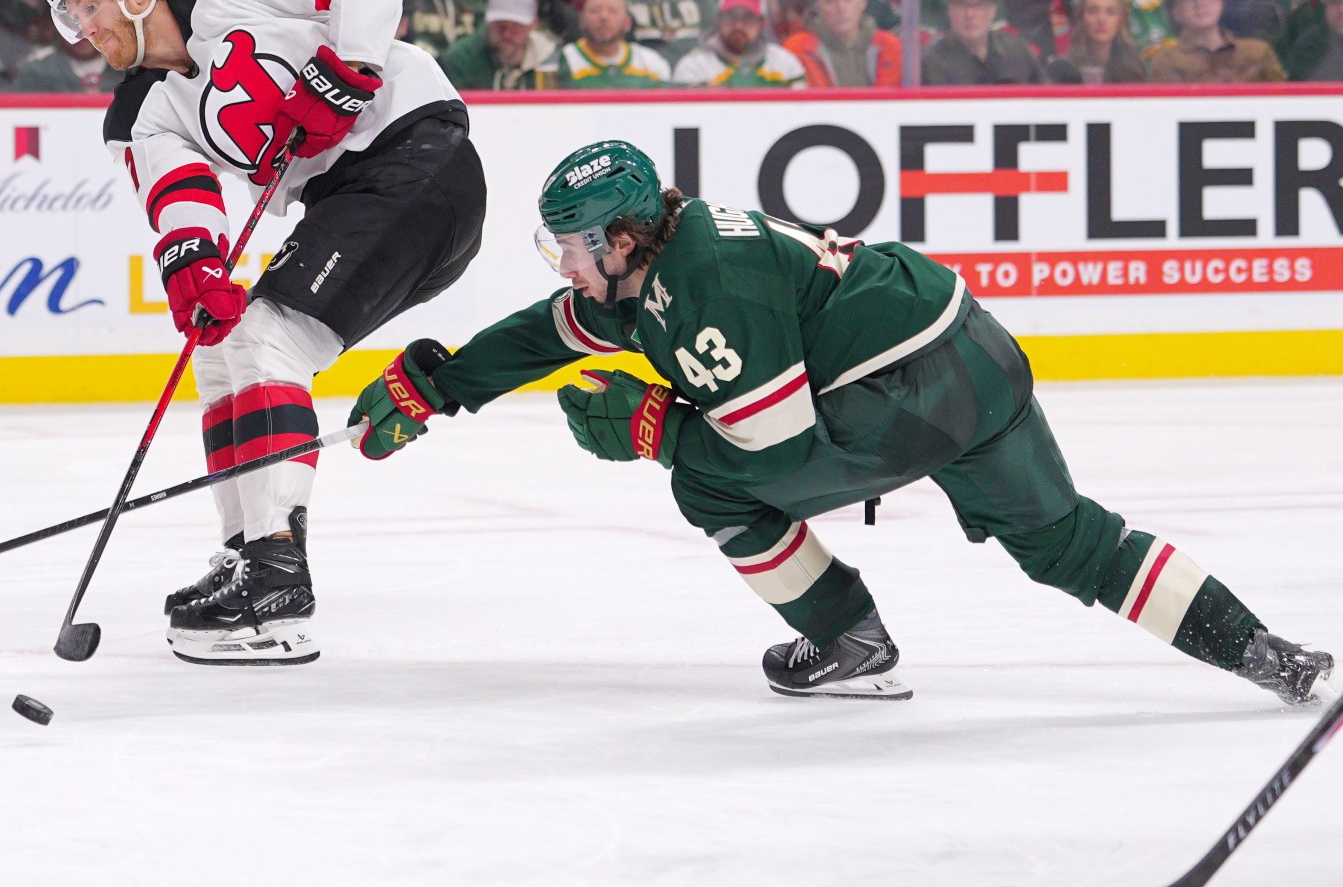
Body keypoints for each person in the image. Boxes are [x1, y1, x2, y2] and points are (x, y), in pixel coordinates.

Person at [351, 137, 1337, 702]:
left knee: (704, 477)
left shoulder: (700, 293)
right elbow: (562, 326)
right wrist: (443, 384)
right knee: (1069, 541)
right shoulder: (668, 248)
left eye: (567, 245)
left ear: (616, 239)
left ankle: (847, 639)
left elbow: (770, 441)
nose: (560, 262)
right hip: (973, 353)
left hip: (894, 400)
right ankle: (1261, 650)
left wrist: (655, 428)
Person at [45, 0, 486, 662]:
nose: (85, 27)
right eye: (72, 15)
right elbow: (180, 199)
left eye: (90, 3)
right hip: (353, 197)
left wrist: (348, 70)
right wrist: (193, 268)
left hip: (416, 155)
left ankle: (279, 577)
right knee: (222, 342)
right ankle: (251, 551)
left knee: (265, 335)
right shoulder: (137, 115)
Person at [1144, 0, 1286, 83]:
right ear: (1177, 13)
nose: (1199, 4)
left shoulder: (1258, 51)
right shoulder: (1167, 60)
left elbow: (1284, 101)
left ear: (1219, 4)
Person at [784, 0, 902, 88]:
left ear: (862, 2)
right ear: (818, 7)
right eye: (830, 0)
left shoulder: (891, 47)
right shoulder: (797, 50)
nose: (841, 8)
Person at [671, 0, 808, 87]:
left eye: (748, 18)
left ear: (763, 24)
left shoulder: (785, 63)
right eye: (731, 16)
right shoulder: (694, 66)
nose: (738, 25)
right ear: (718, 19)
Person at [926, 0, 1047, 86]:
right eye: (961, 5)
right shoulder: (932, 63)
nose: (969, 15)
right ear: (949, 10)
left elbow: (1047, 97)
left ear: (992, 11)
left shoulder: (1017, 52)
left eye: (978, 5)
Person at [540, 0, 670, 88]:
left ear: (627, 23)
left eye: (613, 11)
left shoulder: (652, 64)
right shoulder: (562, 61)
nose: (604, 17)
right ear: (581, 21)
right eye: (595, 10)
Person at [438, 0, 556, 89]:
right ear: (487, 22)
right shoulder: (461, 58)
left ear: (533, 24)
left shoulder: (551, 58)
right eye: (500, 25)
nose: (507, 34)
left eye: (516, 26)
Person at [1065, 0, 1151, 85]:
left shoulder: (1134, 69)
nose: (1101, 20)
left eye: (1111, 12)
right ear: (1081, 18)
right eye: (1093, 11)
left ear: (1120, 21)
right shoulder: (1066, 69)